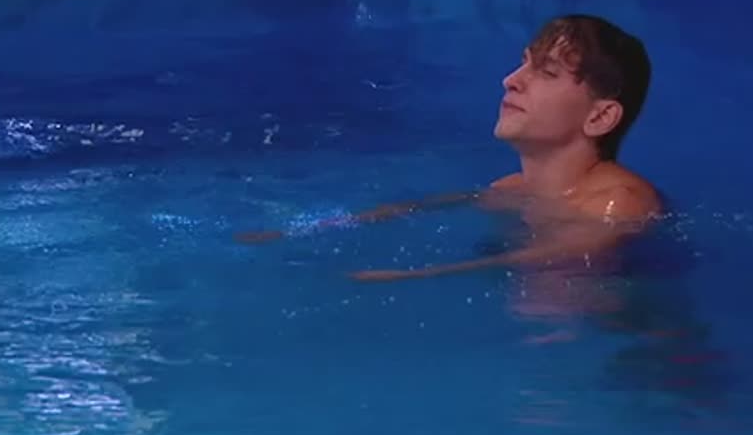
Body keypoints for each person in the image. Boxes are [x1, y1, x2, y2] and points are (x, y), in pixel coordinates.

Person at [235, 14, 663, 280]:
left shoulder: (620, 203)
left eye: (546, 73)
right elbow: (423, 207)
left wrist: (417, 275)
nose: (511, 80)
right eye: (523, 63)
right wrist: (297, 233)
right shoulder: (512, 189)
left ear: (600, 117)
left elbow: (555, 258)